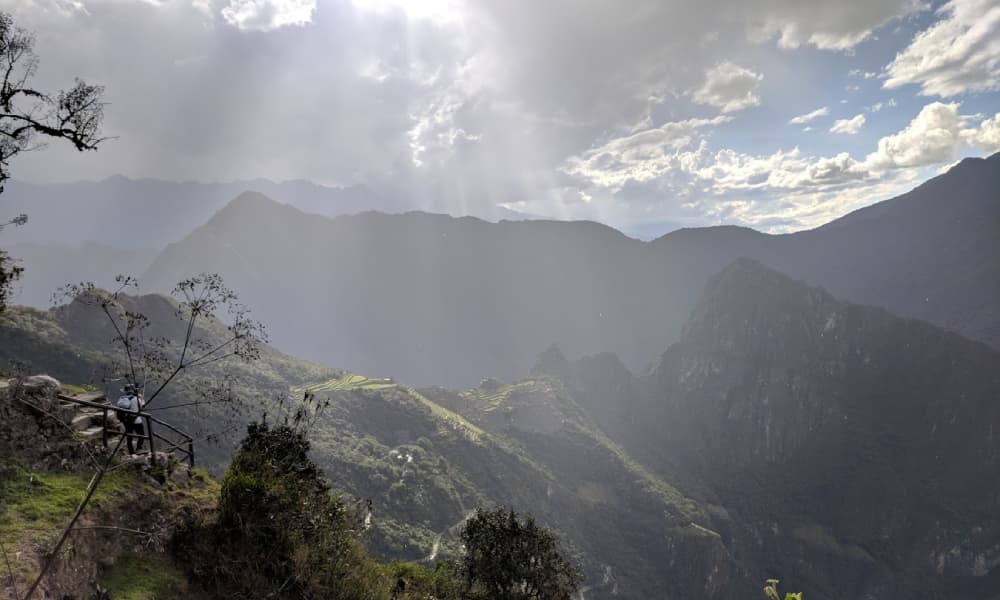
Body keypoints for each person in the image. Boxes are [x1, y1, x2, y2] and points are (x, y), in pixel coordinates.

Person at [115, 383, 146, 455]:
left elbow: (121, 405)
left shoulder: (123, 398)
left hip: (127, 420)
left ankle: (132, 452)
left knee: (130, 436)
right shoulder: (137, 399)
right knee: (141, 435)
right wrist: (141, 398)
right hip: (137, 420)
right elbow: (143, 406)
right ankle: (139, 448)